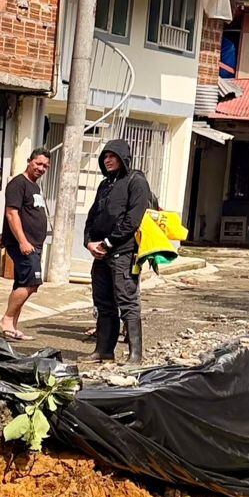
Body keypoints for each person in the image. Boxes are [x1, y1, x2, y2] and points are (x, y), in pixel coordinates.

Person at [84, 138, 152, 364]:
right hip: (101, 255)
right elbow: (92, 216)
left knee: (127, 301)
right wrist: (89, 242)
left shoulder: (136, 181)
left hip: (123, 252)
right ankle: (104, 350)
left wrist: (108, 243)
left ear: (124, 158)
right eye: (105, 156)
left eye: (112, 156)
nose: (108, 160)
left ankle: (135, 355)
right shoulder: (105, 185)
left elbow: (133, 220)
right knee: (103, 302)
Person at [0, 147, 51, 341]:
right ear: (29, 161)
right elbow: (11, 213)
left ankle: (11, 327)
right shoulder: (18, 184)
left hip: (33, 243)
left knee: (23, 283)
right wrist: (21, 240)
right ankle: (6, 320)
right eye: (38, 163)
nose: (41, 168)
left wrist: (6, 234)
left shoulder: (34, 186)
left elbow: (24, 214)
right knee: (31, 282)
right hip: (25, 245)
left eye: (45, 166)